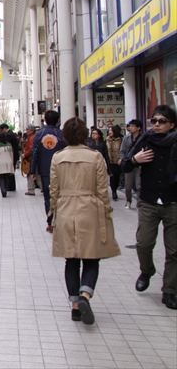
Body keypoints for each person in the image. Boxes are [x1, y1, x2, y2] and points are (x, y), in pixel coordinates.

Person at [50, 117, 121, 325]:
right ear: (85, 134)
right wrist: (106, 209)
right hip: (89, 207)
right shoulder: (95, 156)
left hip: (65, 207)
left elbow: (54, 189)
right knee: (92, 257)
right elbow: (102, 188)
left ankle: (75, 307)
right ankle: (85, 295)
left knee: (71, 260)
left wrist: (53, 210)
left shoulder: (58, 157)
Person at [121, 105, 177, 310]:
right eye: (154, 121)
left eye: (162, 121)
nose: (157, 125)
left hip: (173, 201)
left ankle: (169, 291)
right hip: (148, 201)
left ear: (172, 125)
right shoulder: (145, 140)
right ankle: (147, 270)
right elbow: (125, 165)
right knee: (144, 244)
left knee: (174, 251)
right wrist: (135, 160)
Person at [31, 110, 67, 233]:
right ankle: (60, 220)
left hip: (45, 169)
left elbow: (35, 152)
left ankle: (50, 221)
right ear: (58, 119)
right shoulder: (61, 134)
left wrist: (33, 171)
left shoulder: (39, 134)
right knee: (61, 195)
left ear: (45, 120)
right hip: (61, 169)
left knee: (48, 196)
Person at [120, 119, 143, 208]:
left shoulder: (143, 138)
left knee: (138, 185)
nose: (131, 127)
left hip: (140, 164)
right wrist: (123, 160)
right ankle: (128, 200)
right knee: (128, 185)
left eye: (133, 126)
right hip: (129, 164)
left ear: (138, 128)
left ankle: (139, 202)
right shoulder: (126, 138)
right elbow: (122, 151)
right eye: (130, 126)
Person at [0, 132, 15, 198]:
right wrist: (12, 162)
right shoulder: (9, 145)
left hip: (1, 162)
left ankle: (3, 190)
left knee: (1, 177)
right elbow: (12, 154)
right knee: (6, 177)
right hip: (9, 162)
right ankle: (5, 188)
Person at [22, 124, 41, 195]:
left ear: (31, 130)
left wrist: (25, 155)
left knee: (30, 173)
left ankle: (31, 190)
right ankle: (44, 188)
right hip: (35, 158)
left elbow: (31, 149)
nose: (26, 131)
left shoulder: (31, 138)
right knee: (38, 175)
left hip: (31, 159)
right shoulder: (33, 136)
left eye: (27, 130)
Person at [106, 125, 123, 201]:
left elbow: (122, 150)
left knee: (117, 177)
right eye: (109, 130)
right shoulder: (107, 140)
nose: (110, 132)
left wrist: (121, 158)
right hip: (110, 161)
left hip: (118, 161)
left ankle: (116, 188)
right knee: (112, 177)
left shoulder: (120, 140)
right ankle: (114, 192)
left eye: (111, 130)